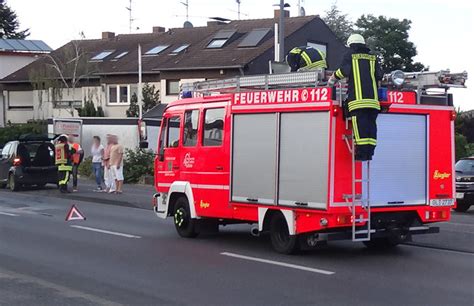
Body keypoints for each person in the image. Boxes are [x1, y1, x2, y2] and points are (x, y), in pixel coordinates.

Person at [329, 34, 383, 161]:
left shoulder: (350, 55)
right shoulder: (373, 58)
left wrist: (332, 79)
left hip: (358, 101)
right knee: (371, 127)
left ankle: (361, 154)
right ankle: (370, 153)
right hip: (373, 102)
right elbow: (379, 75)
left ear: (350, 45)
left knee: (360, 127)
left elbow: (343, 71)